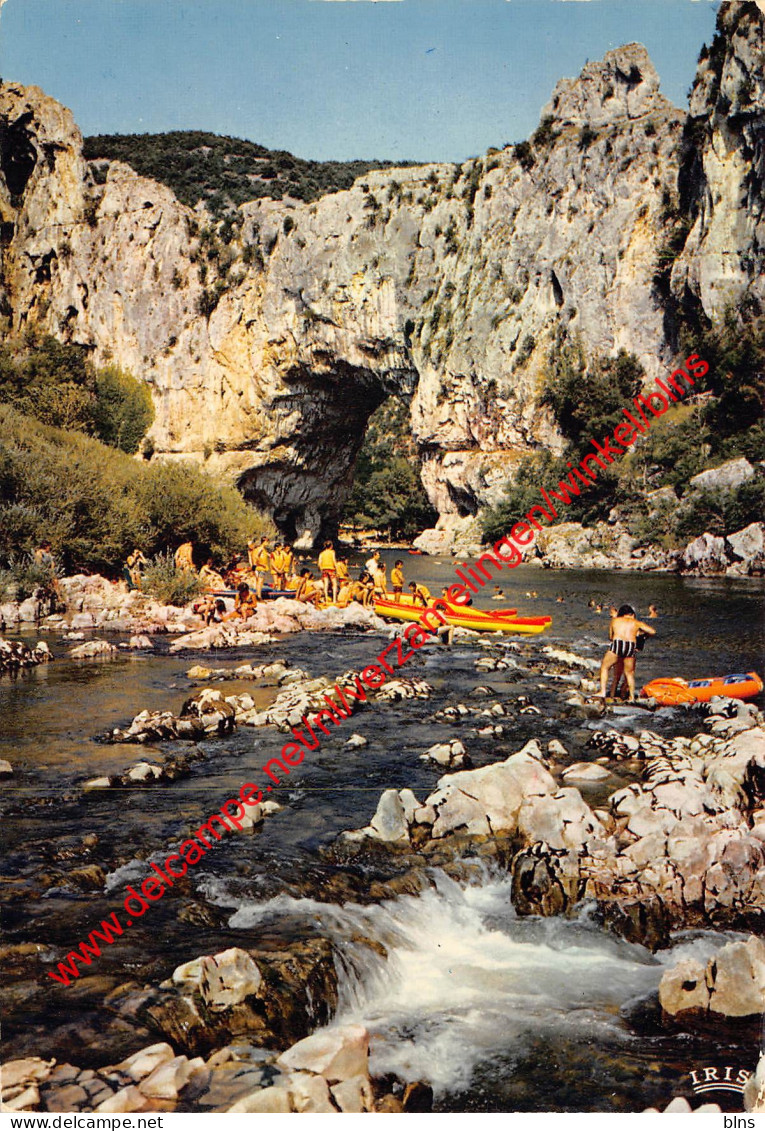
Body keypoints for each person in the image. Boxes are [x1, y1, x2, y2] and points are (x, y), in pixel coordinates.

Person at [598, 604, 656, 702]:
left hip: (618, 643)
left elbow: (611, 637)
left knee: (605, 667)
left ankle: (603, 691)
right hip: (630, 645)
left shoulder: (615, 620)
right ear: (631, 614)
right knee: (629, 674)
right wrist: (644, 636)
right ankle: (632, 697)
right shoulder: (636, 623)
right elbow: (653, 631)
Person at [248, 535, 271, 599]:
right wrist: (261, 564)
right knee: (260, 582)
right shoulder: (260, 548)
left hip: (262, 568)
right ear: (265, 542)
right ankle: (258, 596)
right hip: (260, 567)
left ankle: (258, 595)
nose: (268, 543)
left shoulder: (263, 549)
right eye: (267, 542)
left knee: (260, 581)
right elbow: (256, 556)